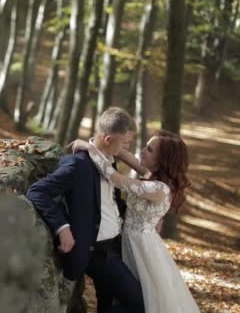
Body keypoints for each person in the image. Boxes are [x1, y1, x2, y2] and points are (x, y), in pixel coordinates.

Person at [25, 107, 144, 313]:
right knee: (140, 303)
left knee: (107, 303)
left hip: (116, 246)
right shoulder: (77, 165)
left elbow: (111, 202)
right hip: (96, 253)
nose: (126, 148)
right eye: (125, 143)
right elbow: (37, 192)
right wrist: (63, 228)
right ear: (108, 140)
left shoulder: (110, 161)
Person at [70, 130, 200, 312]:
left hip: (141, 247)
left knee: (143, 302)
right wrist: (104, 143)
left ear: (163, 161)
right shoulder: (151, 176)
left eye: (150, 150)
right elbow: (126, 156)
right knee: (114, 295)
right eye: (146, 146)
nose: (143, 151)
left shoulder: (158, 188)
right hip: (127, 240)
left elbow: (115, 179)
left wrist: (88, 147)